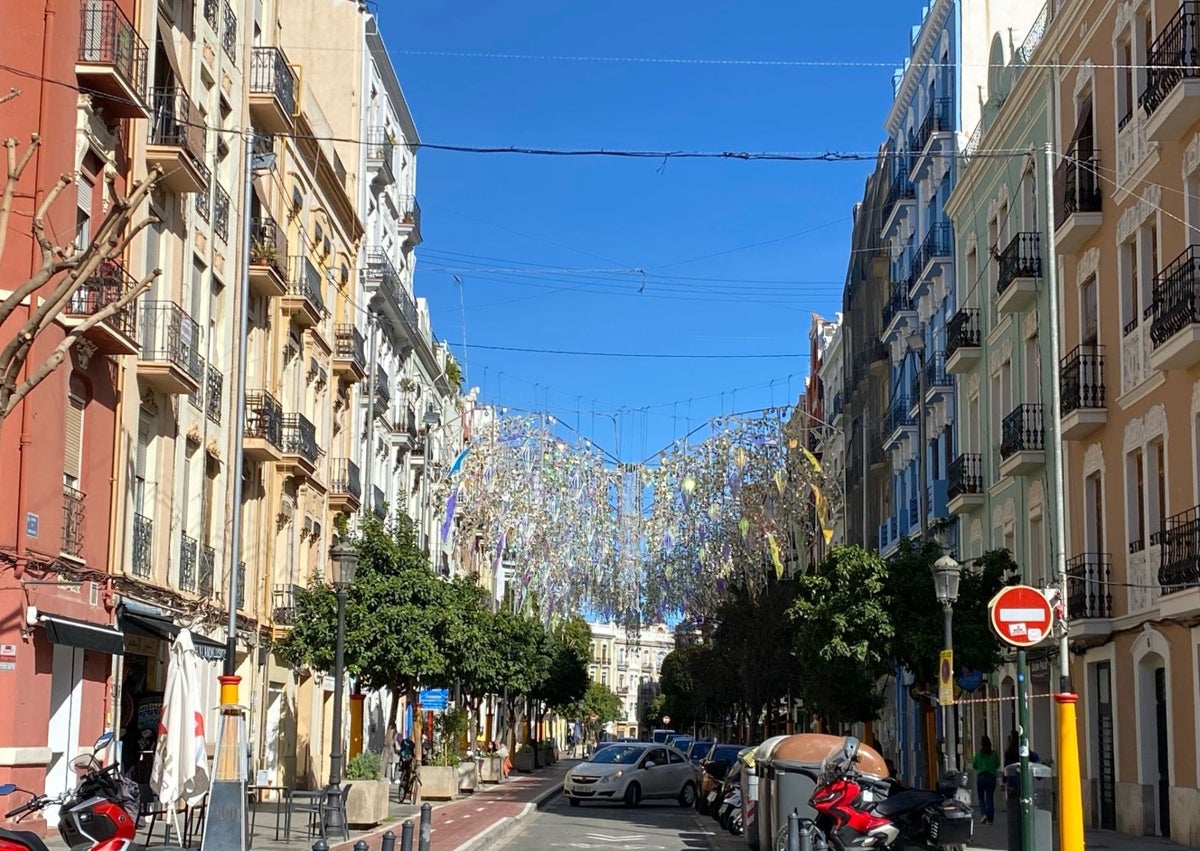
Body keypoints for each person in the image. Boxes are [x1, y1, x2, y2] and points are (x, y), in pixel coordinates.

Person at [972, 735, 1000, 824]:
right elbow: (998, 764)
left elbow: (974, 765)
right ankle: (990, 817)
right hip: (991, 777)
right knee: (989, 797)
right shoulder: (994, 754)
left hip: (981, 777)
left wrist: (981, 766)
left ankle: (984, 813)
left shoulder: (978, 754)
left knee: (981, 796)